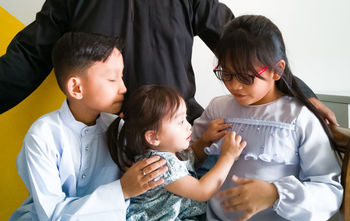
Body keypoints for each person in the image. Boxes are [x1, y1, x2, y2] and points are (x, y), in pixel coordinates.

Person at [0, 0, 337, 125]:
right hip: (101, 134)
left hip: (179, 131)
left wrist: (302, 95)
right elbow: (28, 56)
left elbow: (249, 47)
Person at [0, 32, 168, 221]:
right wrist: (122, 190)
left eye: (122, 77)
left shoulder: (120, 129)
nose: (124, 88)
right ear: (76, 88)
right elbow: (50, 216)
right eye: (112, 79)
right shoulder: (41, 135)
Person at [191, 15, 343, 221]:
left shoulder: (298, 117)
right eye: (226, 75)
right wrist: (200, 145)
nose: (234, 86)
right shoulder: (218, 109)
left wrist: (275, 193)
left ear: (276, 70)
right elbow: (182, 165)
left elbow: (329, 189)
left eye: (246, 77)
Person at [106, 85, 246, 221]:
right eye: (180, 122)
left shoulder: (170, 151)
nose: (189, 126)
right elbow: (202, 191)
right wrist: (228, 156)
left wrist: (204, 140)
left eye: (186, 119)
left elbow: (191, 158)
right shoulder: (159, 164)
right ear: (153, 137)